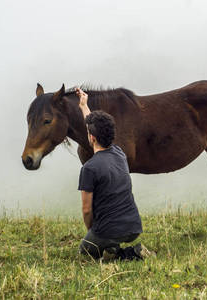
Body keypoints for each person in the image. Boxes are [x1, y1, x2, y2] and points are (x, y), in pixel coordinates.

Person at [75, 87, 153, 261]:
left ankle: (129, 253)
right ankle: (113, 247)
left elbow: (87, 210)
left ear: (92, 138)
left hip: (109, 231)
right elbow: (93, 125)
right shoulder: (119, 153)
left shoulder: (89, 168)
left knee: (85, 254)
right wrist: (83, 105)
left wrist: (92, 232)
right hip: (134, 228)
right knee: (105, 243)